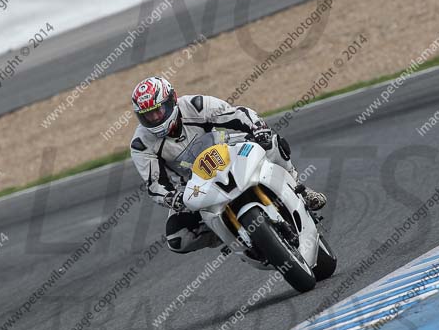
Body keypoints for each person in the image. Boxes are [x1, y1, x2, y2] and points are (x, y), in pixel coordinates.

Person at [129, 76, 326, 254]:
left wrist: (257, 127)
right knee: (177, 239)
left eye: (159, 110)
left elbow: (236, 114)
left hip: (229, 152)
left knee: (271, 143)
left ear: (172, 100)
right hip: (193, 185)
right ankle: (226, 233)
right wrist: (171, 198)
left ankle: (300, 189)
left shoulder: (196, 105)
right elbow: (154, 184)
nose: (155, 118)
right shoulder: (141, 144)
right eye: (148, 115)